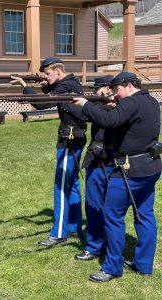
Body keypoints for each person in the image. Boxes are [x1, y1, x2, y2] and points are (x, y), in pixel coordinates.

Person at [73, 71, 162, 282]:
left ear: (128, 85)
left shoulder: (131, 102)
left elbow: (110, 121)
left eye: (117, 90)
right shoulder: (150, 100)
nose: (115, 94)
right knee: (144, 215)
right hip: (150, 166)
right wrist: (116, 107)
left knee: (112, 215)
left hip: (129, 169)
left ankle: (112, 267)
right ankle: (143, 264)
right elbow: (128, 123)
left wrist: (86, 104)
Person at [11, 57, 87, 246]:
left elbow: (42, 104)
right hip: (75, 137)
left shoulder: (65, 85)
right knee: (72, 184)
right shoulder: (70, 83)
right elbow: (51, 95)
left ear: (58, 72)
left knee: (61, 187)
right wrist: (43, 84)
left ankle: (59, 232)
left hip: (69, 140)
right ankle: (73, 227)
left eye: (48, 73)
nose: (45, 76)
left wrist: (24, 86)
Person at [74, 75, 115, 261]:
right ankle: (94, 246)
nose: (95, 92)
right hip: (96, 159)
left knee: (111, 208)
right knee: (92, 205)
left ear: (107, 88)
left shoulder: (121, 105)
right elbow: (82, 115)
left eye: (98, 89)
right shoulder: (97, 106)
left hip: (114, 161)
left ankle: (109, 245)